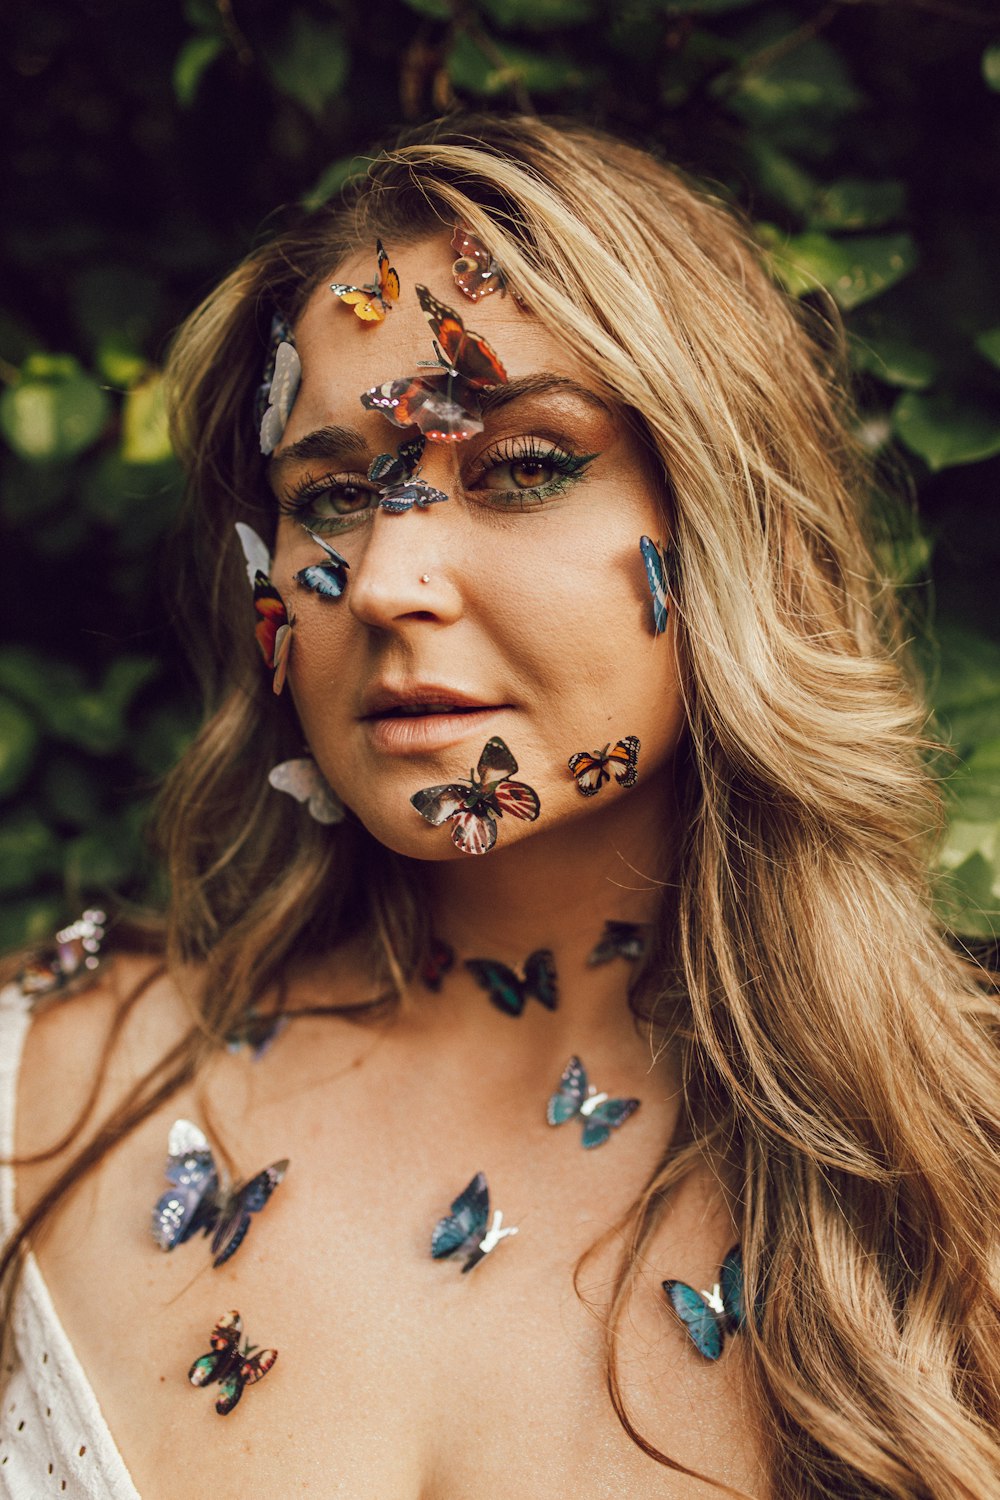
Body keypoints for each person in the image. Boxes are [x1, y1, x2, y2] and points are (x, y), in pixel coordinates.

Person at [1, 112, 998, 1500]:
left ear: (732, 526)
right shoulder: (37, 1098)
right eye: (332, 495)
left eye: (523, 467)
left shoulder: (958, 1186)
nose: (393, 578)